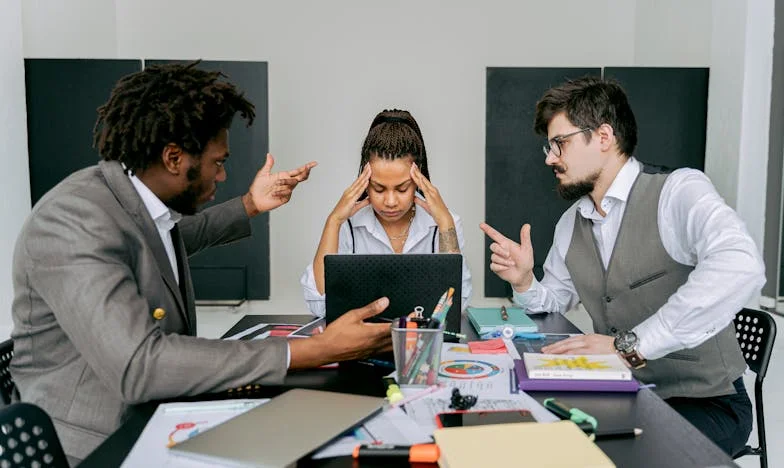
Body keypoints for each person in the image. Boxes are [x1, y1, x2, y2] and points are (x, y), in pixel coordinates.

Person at [10, 62, 392, 463]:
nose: (223, 175)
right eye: (218, 162)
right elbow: (140, 365)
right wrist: (310, 350)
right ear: (174, 158)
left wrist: (250, 205)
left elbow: (171, 240)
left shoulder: (130, 203)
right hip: (97, 445)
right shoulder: (73, 219)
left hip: (155, 417)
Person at [481, 77, 764, 456]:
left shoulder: (677, 192)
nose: (549, 158)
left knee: (613, 454)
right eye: (548, 147)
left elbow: (741, 264)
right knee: (539, 438)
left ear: (603, 136)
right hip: (622, 390)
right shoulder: (571, 223)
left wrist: (627, 346)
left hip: (708, 402)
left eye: (559, 144)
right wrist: (524, 281)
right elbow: (554, 302)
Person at [301, 109, 472, 317]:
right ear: (365, 182)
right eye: (379, 189)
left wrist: (445, 222)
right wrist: (334, 221)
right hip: (360, 346)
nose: (390, 202)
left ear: (419, 180)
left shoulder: (446, 224)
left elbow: (455, 305)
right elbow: (319, 304)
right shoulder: (346, 224)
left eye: (402, 189)